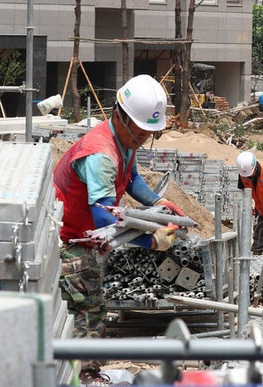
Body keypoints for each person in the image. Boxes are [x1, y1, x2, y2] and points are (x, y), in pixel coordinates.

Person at [53, 75, 184, 378]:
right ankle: (83, 378)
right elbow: (105, 222)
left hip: (85, 241)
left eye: (148, 133)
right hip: (71, 243)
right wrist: (151, 241)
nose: (143, 138)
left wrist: (158, 204)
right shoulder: (101, 154)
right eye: (140, 131)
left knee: (92, 310)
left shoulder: (124, 139)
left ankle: (81, 374)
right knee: (88, 314)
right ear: (119, 116)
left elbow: (132, 177)